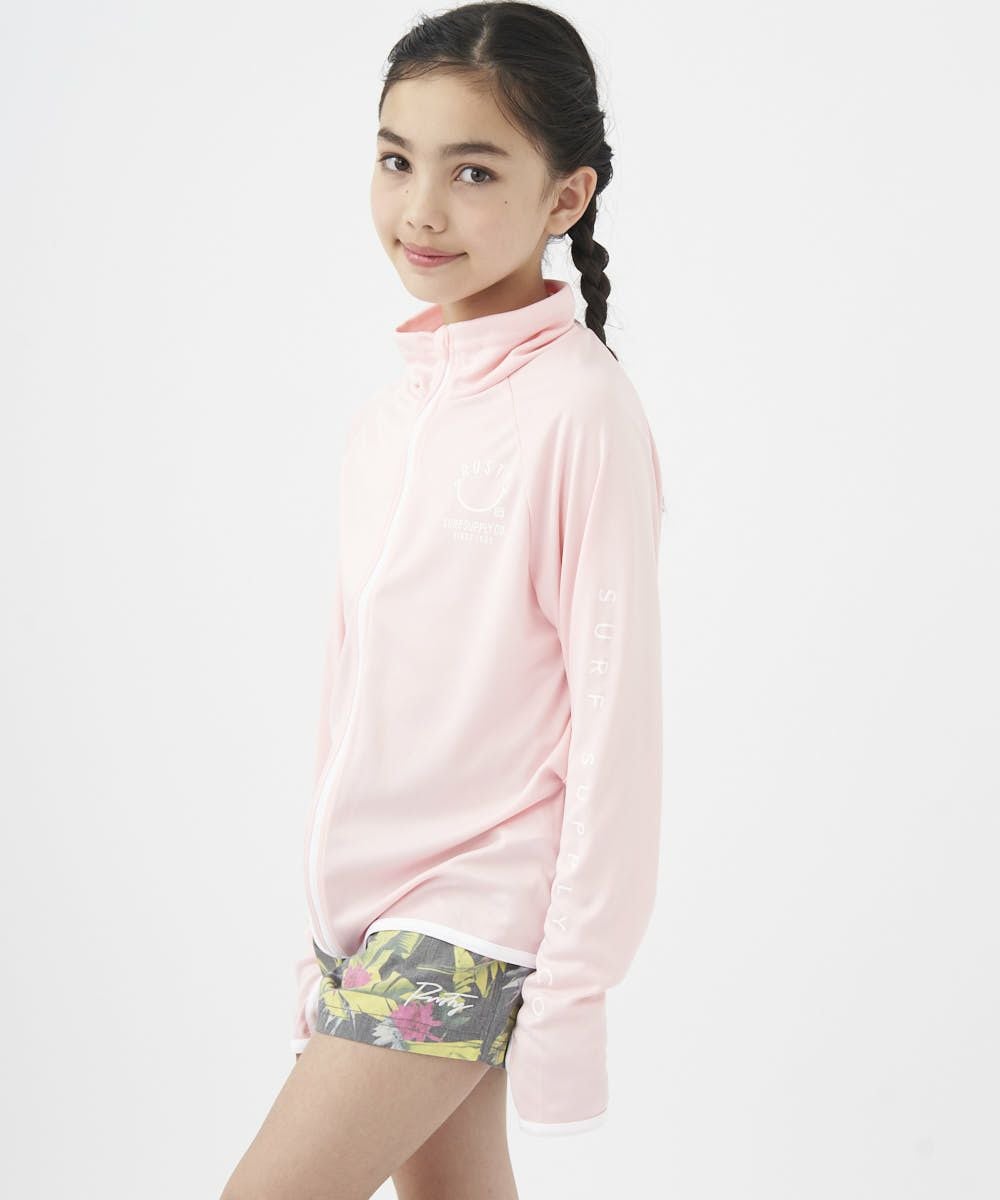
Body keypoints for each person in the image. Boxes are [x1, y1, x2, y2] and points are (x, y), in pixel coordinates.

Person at [221, 4, 665, 1197]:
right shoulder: (391, 420)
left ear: (565, 197)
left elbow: (615, 718)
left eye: (472, 172)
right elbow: (355, 694)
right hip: (375, 909)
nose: (419, 210)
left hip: (477, 909)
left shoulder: (578, 410)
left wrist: (572, 989)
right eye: (394, 159)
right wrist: (326, 933)